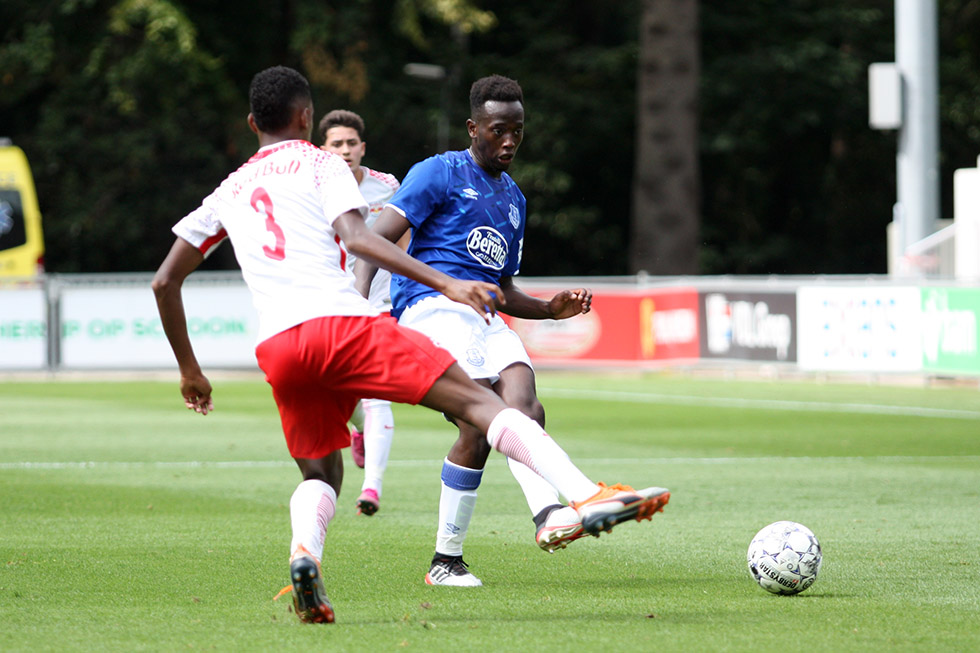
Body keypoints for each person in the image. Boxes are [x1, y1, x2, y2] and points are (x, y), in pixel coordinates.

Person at [151, 65, 670, 623]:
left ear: (252, 122)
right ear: (306, 117)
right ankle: (583, 495)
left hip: (278, 346)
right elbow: (358, 238)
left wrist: (190, 370)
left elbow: (164, 282)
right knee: (481, 406)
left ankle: (306, 557)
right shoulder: (324, 163)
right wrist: (446, 281)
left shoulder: (228, 189)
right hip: (344, 326)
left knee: (320, 474)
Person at [356, 74, 670, 587]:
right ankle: (571, 501)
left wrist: (548, 310)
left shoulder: (514, 200)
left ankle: (471, 551)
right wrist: (358, 306)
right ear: (472, 127)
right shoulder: (438, 172)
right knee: (488, 415)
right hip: (431, 310)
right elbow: (373, 239)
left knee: (523, 407)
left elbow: (502, 286)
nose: (509, 142)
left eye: (518, 132)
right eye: (498, 130)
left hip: (485, 316)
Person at [319, 109, 403, 517]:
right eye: (337, 143)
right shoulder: (313, 187)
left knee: (376, 395)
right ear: (324, 149)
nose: (345, 150)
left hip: (380, 307)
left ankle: (371, 488)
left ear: (363, 147)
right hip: (334, 307)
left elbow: (405, 235)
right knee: (340, 391)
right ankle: (357, 429)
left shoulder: (386, 186)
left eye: (351, 143)